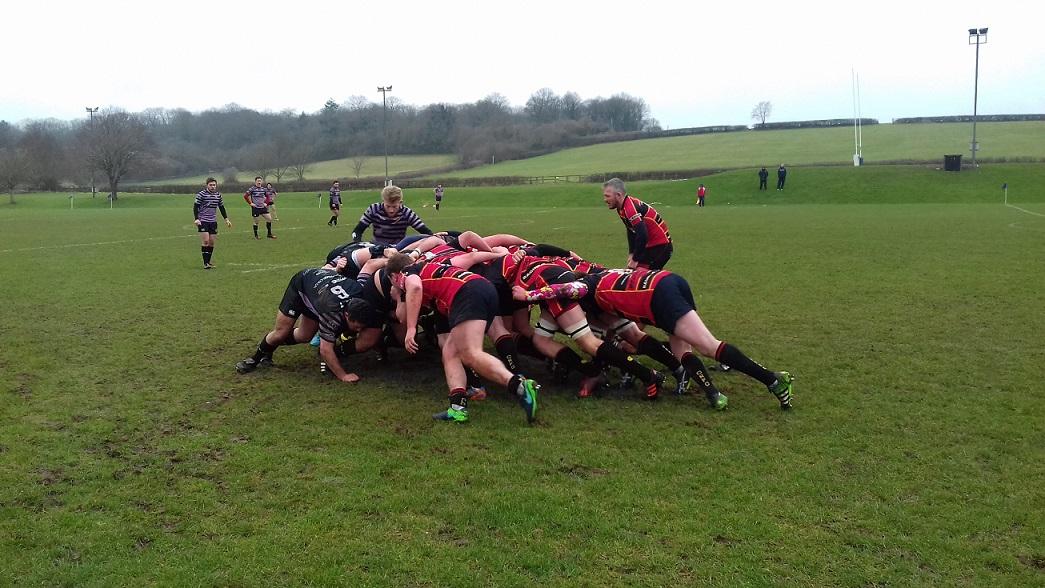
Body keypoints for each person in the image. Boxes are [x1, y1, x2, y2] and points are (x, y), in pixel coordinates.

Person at [529, 267, 795, 411]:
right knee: (683, 350)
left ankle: (773, 379)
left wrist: (527, 295)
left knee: (708, 346)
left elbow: (566, 288)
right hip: (668, 280)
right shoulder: (603, 275)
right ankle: (713, 394)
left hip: (657, 298)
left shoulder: (587, 287)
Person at [385, 253, 540, 424]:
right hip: (481, 288)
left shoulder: (407, 273)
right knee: (450, 352)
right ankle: (457, 408)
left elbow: (414, 288)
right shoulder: (427, 267)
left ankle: (519, 385)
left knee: (470, 353)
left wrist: (412, 328)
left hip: (467, 294)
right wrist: (399, 296)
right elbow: (403, 315)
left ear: (394, 275)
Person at [235, 260, 375, 383]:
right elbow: (325, 350)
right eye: (356, 327)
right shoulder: (331, 312)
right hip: (301, 286)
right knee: (281, 333)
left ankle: (269, 348)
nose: (358, 331)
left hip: (318, 293)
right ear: (346, 314)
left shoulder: (359, 291)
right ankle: (255, 359)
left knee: (305, 336)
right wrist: (343, 376)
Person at [601, 177, 672, 270]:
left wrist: (635, 259)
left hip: (661, 246)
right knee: (640, 277)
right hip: (652, 245)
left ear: (618, 195)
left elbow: (642, 235)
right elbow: (631, 230)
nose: (604, 199)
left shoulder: (630, 209)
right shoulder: (621, 207)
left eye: (607, 196)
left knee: (640, 276)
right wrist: (632, 253)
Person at [351, 185, 433, 246]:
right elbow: (357, 231)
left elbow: (426, 232)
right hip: (376, 247)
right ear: (383, 201)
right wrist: (358, 244)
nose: (391, 210)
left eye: (394, 206)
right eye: (388, 206)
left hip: (398, 249)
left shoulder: (407, 213)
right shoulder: (373, 209)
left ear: (400, 202)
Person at [193, 177, 233, 269]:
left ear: (216, 185)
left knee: (211, 242)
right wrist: (196, 218)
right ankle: (205, 263)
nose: (212, 186)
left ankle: (208, 262)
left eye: (214, 185)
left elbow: (222, 208)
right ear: (207, 185)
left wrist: (226, 219)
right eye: (210, 185)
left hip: (213, 221)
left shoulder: (218, 195)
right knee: (206, 241)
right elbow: (195, 207)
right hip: (203, 221)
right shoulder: (201, 194)